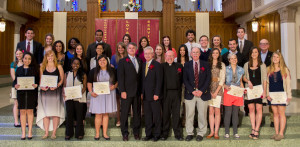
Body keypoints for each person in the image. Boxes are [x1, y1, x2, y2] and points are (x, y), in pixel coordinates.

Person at [183, 45, 211, 141]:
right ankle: (189, 133)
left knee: (202, 114)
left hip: (202, 94)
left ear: (200, 54)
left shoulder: (206, 64)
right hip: (190, 93)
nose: (195, 54)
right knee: (189, 114)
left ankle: (201, 133)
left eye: (197, 52)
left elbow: (208, 79)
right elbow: (185, 79)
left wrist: (201, 90)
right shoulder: (186, 65)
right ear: (191, 54)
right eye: (193, 52)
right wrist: (192, 90)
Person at [88, 55, 118, 141]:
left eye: (104, 60)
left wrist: (114, 87)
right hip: (97, 95)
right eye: (100, 60)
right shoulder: (93, 71)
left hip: (108, 94)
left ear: (107, 61)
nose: (102, 62)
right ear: (97, 62)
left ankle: (105, 133)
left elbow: (117, 82)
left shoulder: (112, 70)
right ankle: (97, 134)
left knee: (105, 114)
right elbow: (89, 83)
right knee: (98, 114)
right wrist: (91, 92)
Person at [37, 50, 65, 140]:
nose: (50, 57)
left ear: (54, 57)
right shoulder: (42, 67)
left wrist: (58, 85)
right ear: (46, 57)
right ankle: (46, 133)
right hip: (45, 92)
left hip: (55, 92)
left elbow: (62, 79)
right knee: (46, 113)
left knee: (55, 112)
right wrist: (42, 87)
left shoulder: (59, 66)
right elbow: (41, 80)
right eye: (48, 56)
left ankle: (53, 133)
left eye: (52, 56)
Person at [118, 42, 142, 141]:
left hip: (137, 92)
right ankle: (125, 133)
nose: (132, 49)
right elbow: (120, 77)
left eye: (133, 48)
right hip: (126, 93)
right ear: (127, 50)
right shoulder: (123, 61)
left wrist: (141, 91)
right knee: (124, 113)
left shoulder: (139, 60)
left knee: (137, 113)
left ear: (136, 49)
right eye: (130, 48)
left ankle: (136, 132)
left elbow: (140, 78)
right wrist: (122, 90)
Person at [243, 47, 267, 140]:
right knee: (251, 109)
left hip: (259, 90)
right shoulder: (246, 64)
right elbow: (244, 77)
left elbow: (265, 79)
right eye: (252, 52)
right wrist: (248, 81)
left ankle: (257, 130)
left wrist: (264, 91)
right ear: (250, 54)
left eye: (256, 52)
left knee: (259, 108)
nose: (254, 54)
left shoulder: (262, 65)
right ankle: (253, 128)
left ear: (258, 53)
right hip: (250, 90)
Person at [266, 51, 292, 141]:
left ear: (280, 59)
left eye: (277, 57)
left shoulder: (285, 69)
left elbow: (288, 84)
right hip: (272, 95)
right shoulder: (268, 69)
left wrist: (289, 96)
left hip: (282, 94)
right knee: (275, 114)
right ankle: (276, 133)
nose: (275, 59)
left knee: (281, 114)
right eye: (274, 57)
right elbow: (266, 83)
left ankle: (281, 133)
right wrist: (267, 94)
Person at [13, 52, 39, 140]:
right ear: (22, 59)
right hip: (21, 94)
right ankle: (23, 132)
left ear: (31, 60)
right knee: (22, 112)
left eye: (29, 59)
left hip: (31, 94)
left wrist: (36, 85)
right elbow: (15, 81)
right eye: (25, 58)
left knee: (30, 112)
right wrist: (16, 85)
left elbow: (38, 81)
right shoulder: (19, 69)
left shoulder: (34, 69)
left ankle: (30, 131)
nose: (27, 60)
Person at [161, 51, 184, 141]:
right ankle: (165, 133)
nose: (169, 57)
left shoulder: (179, 66)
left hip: (176, 93)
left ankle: (177, 134)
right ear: (165, 57)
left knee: (176, 114)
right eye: (168, 56)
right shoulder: (162, 66)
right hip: (166, 93)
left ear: (174, 57)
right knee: (165, 114)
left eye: (171, 56)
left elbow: (182, 79)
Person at [141, 46, 163, 142]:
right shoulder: (143, 65)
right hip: (145, 96)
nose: (147, 55)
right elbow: (142, 81)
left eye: (149, 53)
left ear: (153, 54)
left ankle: (157, 134)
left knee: (156, 116)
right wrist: (142, 92)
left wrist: (157, 93)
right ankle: (148, 134)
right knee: (148, 116)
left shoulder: (157, 65)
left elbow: (159, 80)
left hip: (154, 95)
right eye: (145, 54)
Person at [63, 58, 87, 140]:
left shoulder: (83, 74)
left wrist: (79, 93)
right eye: (74, 63)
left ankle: (79, 133)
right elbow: (65, 85)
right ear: (71, 64)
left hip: (79, 98)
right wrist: (65, 93)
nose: (75, 65)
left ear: (80, 65)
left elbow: (84, 87)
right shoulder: (67, 74)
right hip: (69, 98)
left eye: (77, 64)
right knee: (69, 115)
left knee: (79, 116)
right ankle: (69, 133)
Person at [223, 53, 245, 139]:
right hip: (228, 90)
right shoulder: (225, 69)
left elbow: (241, 81)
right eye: (231, 58)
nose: (233, 60)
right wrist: (225, 86)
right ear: (229, 60)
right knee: (228, 113)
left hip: (237, 91)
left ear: (237, 59)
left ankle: (235, 132)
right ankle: (227, 132)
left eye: (235, 58)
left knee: (236, 113)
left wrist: (243, 91)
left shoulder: (241, 69)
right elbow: (222, 81)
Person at [206, 48, 225, 140]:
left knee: (217, 111)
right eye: (213, 53)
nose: (215, 54)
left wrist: (216, 92)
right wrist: (210, 91)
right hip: (209, 89)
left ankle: (216, 132)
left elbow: (222, 79)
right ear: (211, 54)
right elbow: (205, 78)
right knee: (210, 111)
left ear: (219, 54)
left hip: (218, 89)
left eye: (216, 53)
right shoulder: (207, 64)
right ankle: (211, 131)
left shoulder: (222, 65)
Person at [110, 42, 128, 127]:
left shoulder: (128, 57)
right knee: (118, 102)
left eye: (122, 48)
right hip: (117, 81)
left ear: (124, 48)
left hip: (126, 82)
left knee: (126, 102)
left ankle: (125, 120)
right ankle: (118, 119)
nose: (120, 49)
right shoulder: (114, 57)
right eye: (119, 48)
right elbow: (112, 71)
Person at [259, 39, 274, 127]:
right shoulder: (256, 54)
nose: (263, 45)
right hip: (259, 80)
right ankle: (259, 119)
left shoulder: (272, 55)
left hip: (270, 79)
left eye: (265, 44)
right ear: (259, 45)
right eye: (262, 44)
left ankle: (272, 120)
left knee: (270, 98)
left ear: (268, 45)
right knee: (259, 100)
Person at [174, 44, 189, 127]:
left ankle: (185, 120)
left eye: (184, 50)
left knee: (186, 103)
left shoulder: (189, 60)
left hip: (187, 85)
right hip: (178, 84)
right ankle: (178, 120)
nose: (182, 52)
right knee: (179, 102)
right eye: (181, 50)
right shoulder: (176, 60)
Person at [10, 49, 24, 127]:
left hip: (24, 86)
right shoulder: (13, 64)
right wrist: (17, 83)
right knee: (16, 103)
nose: (18, 55)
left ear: (23, 54)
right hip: (16, 85)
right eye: (17, 54)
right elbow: (13, 75)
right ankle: (16, 121)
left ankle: (23, 121)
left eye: (20, 53)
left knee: (23, 103)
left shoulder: (25, 62)